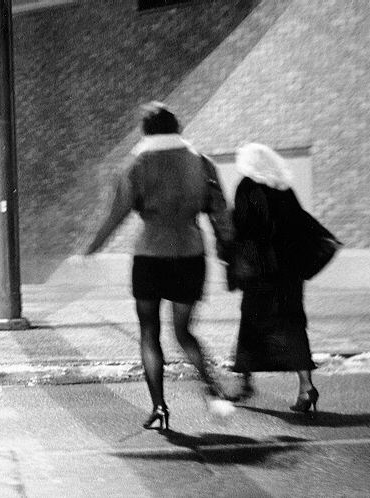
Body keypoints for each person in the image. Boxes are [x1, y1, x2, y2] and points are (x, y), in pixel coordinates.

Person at [84, 101, 235, 430]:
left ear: (146, 131)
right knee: (183, 331)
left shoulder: (137, 166)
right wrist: (229, 249)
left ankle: (159, 407)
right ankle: (211, 386)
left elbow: (117, 213)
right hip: (191, 255)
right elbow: (220, 212)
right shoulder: (202, 164)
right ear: (177, 128)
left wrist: (95, 245)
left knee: (149, 333)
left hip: (150, 256)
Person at [229, 143, 319, 415]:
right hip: (288, 273)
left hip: (261, 272)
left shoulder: (247, 187)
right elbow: (300, 227)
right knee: (292, 325)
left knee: (251, 325)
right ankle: (306, 386)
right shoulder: (285, 189)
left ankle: (245, 384)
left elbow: (243, 229)